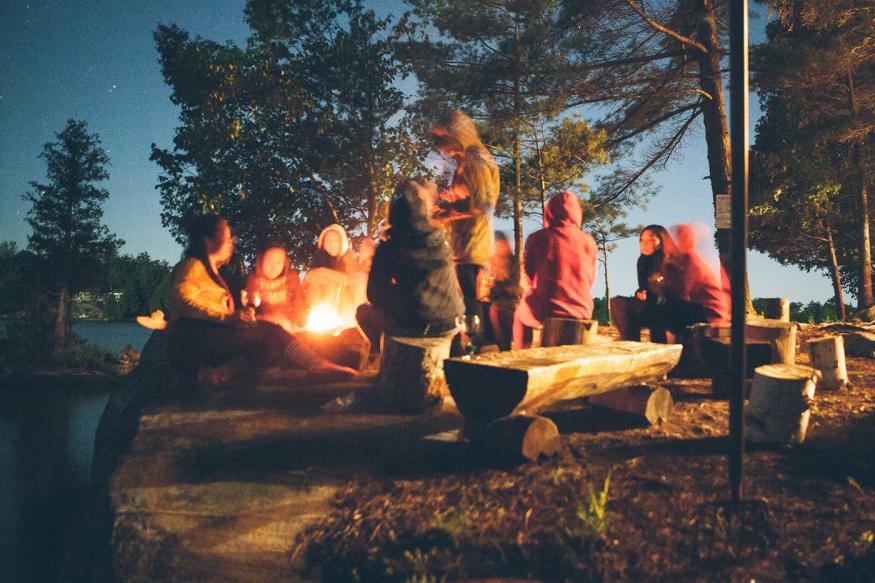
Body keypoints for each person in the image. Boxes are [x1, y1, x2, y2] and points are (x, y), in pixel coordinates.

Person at [166, 214, 356, 385]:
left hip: (208, 338)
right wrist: (229, 318)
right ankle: (317, 364)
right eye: (227, 237)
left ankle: (221, 373)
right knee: (271, 332)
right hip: (192, 340)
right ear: (209, 241)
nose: (232, 242)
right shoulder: (193, 265)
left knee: (267, 343)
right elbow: (183, 301)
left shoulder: (213, 271)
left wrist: (237, 317)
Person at [355, 179, 465, 347]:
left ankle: (387, 356)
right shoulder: (440, 239)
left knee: (363, 312)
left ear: (393, 210)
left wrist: (403, 298)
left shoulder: (390, 247)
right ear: (423, 208)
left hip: (418, 327)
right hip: (452, 322)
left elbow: (375, 295)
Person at [429, 109, 500, 344]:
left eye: (444, 141)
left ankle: (477, 357)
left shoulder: (475, 158)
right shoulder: (472, 159)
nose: (442, 149)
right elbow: (471, 197)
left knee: (471, 306)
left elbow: (482, 204)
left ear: (456, 134)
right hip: (469, 245)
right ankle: (480, 350)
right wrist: (449, 200)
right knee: (472, 303)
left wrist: (444, 213)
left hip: (471, 246)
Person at [611, 224, 729, 342]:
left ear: (663, 240)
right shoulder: (644, 261)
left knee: (657, 312)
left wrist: (659, 289)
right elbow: (648, 289)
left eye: (651, 239)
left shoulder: (684, 259)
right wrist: (644, 292)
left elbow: (681, 294)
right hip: (677, 305)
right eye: (642, 240)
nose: (644, 243)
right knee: (620, 303)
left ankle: (660, 348)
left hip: (703, 311)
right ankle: (632, 345)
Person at [512, 191, 598, 348]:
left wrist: (531, 292)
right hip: (582, 309)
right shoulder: (589, 241)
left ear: (548, 213)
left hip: (547, 308)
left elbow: (528, 274)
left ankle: (521, 353)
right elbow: (590, 278)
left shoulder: (538, 238)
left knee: (519, 315)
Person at [245, 244, 307, 334]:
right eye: (269, 260)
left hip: (291, 330)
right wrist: (272, 318)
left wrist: (301, 323)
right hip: (264, 330)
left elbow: (299, 301)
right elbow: (250, 310)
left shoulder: (292, 278)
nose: (274, 266)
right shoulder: (254, 280)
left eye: (279, 262)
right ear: (261, 260)